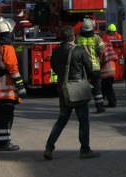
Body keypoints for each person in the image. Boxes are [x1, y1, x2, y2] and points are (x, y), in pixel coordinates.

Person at [44, 26, 100, 161]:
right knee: (83, 119)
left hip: (64, 88)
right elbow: (89, 68)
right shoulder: (79, 50)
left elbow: (54, 68)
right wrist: (94, 78)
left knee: (62, 119)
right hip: (78, 88)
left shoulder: (56, 51)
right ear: (73, 37)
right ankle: (85, 149)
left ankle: (49, 147)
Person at [0, 18, 27, 150]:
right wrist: (21, 86)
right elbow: (12, 67)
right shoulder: (8, 48)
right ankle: (5, 143)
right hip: (7, 91)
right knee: (6, 117)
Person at [76, 18, 106, 113]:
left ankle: (82, 108)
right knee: (97, 87)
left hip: (82, 67)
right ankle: (100, 107)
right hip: (95, 65)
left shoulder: (78, 38)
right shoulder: (97, 38)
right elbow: (102, 50)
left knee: (82, 87)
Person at [100, 34, 118, 108]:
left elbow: (101, 57)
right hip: (112, 67)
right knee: (106, 86)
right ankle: (108, 100)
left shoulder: (101, 44)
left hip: (106, 69)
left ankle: (112, 103)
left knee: (108, 87)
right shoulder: (108, 43)